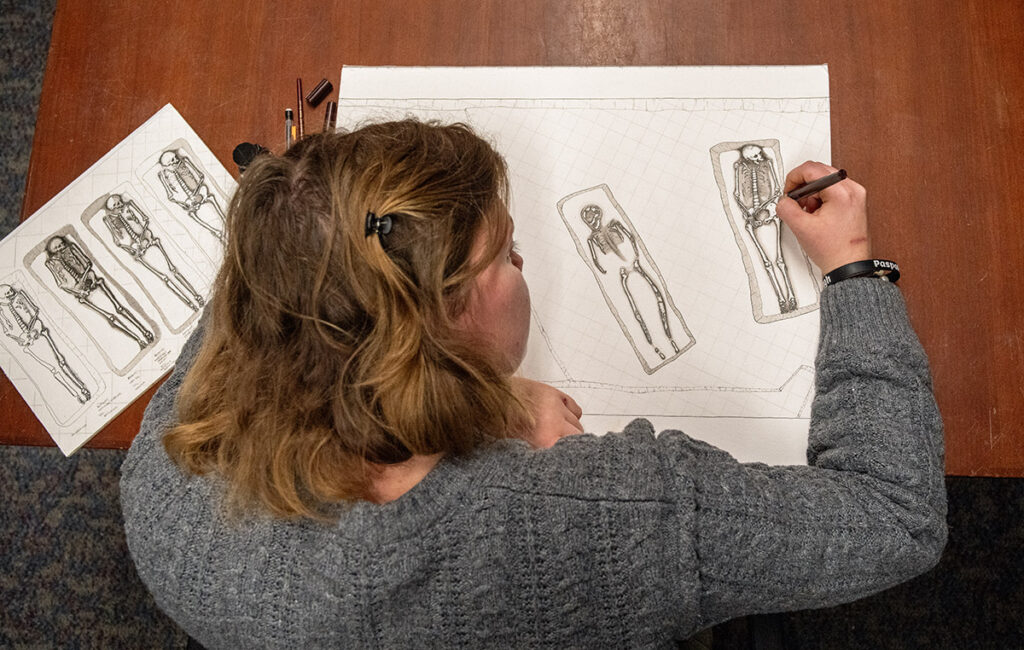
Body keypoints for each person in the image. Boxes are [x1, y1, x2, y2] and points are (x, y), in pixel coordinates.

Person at [121, 120, 947, 648]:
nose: (522, 263)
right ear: (436, 326)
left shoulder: (168, 481)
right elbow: (896, 516)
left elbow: (285, 295)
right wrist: (854, 270)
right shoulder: (590, 518)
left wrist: (479, 404)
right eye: (506, 254)